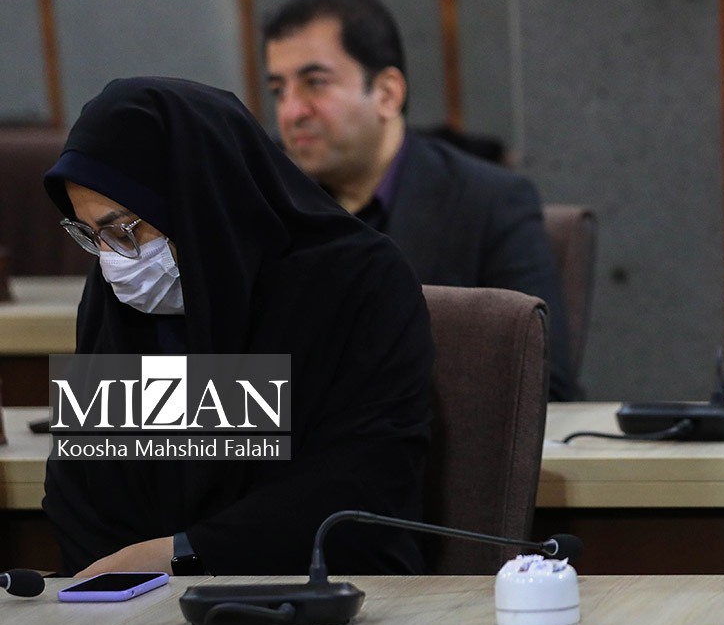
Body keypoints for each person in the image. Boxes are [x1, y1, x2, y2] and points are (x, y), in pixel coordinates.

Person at [43, 77, 434, 577]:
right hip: (137, 606)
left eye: (124, 228)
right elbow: (80, 489)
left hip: (324, 591)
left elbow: (358, 489)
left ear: (200, 201)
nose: (114, 259)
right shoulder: (111, 298)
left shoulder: (356, 284)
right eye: (91, 234)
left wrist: (183, 553)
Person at [262, 0, 581, 401]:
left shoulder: (487, 202)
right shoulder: (265, 203)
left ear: (388, 94)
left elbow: (543, 385)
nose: (291, 112)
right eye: (279, 90)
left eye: (315, 84)